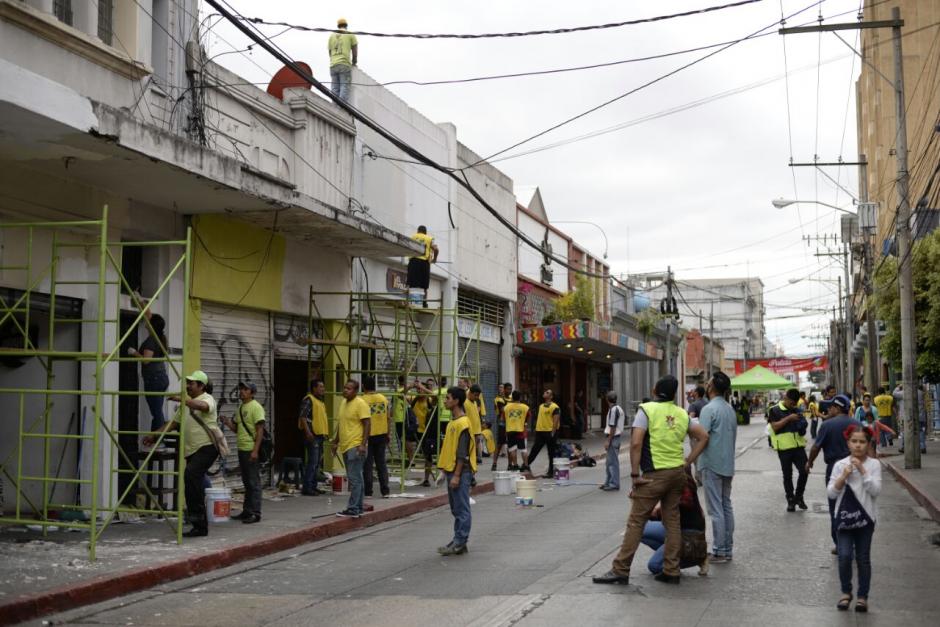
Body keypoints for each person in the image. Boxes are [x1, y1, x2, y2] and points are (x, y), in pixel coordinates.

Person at [593, 375, 709, 586]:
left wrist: (635, 474)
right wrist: (687, 462)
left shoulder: (646, 410)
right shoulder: (682, 413)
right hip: (677, 474)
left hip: (654, 474)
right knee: (672, 522)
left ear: (655, 389)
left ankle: (620, 569)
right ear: (674, 394)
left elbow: (636, 443)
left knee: (636, 522)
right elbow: (703, 437)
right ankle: (671, 570)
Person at [143, 370, 218, 537]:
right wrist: (155, 435)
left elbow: (203, 407)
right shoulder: (187, 404)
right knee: (194, 481)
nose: (188, 386)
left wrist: (184, 400)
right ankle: (198, 521)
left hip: (207, 447)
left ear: (201, 386)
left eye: (191, 383)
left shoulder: (207, 399)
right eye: (188, 383)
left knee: (191, 475)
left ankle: (198, 521)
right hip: (192, 450)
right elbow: (172, 424)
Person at [828, 424, 881, 612]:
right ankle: (845, 592)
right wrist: (844, 476)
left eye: (862, 442)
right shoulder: (840, 465)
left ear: (868, 444)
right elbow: (832, 494)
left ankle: (862, 597)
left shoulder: (874, 465)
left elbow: (875, 490)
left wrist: (864, 472)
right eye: (854, 441)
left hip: (866, 520)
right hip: (844, 519)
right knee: (844, 556)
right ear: (848, 443)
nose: (858, 445)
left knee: (863, 558)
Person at [806, 395, 862, 550]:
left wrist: (809, 462)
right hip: (855, 468)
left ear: (837, 408)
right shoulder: (857, 423)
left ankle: (840, 544)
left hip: (835, 469)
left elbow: (816, 447)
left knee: (836, 506)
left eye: (830, 407)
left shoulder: (827, 425)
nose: (828, 409)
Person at [697, 371, 736, 563]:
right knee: (726, 506)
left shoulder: (708, 409)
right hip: (727, 464)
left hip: (711, 464)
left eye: (708, 382)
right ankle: (727, 548)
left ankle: (719, 550)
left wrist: (691, 461)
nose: (706, 384)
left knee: (715, 510)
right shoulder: (729, 409)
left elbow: (701, 438)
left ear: (711, 387)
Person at [641, 470, 709, 576]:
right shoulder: (672, 483)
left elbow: (678, 508)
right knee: (640, 529)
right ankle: (672, 554)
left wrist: (658, 509)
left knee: (654, 566)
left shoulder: (683, 486)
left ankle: (695, 558)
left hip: (688, 534)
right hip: (674, 529)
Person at [437, 386, 475, 556]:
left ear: (457, 401)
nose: (445, 401)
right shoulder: (453, 423)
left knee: (461, 508)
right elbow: (448, 450)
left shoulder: (463, 424)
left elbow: (462, 453)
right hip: (452, 470)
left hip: (461, 471)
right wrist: (444, 472)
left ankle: (460, 541)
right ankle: (459, 540)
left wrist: (457, 475)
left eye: (448, 398)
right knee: (456, 508)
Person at [220, 381, 265, 524]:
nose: (242, 391)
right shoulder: (240, 408)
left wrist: (255, 451)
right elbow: (238, 429)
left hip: (250, 449)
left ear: (252, 392)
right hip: (242, 449)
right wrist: (228, 423)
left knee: (253, 482)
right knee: (247, 482)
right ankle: (247, 511)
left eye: (245, 389)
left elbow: (260, 430)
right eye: (241, 389)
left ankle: (255, 513)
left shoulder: (256, 407)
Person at [767, 388, 810, 512]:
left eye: (795, 404)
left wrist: (802, 425)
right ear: (785, 398)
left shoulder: (797, 410)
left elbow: (802, 427)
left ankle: (799, 496)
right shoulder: (774, 410)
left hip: (798, 447)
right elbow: (775, 427)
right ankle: (790, 500)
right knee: (787, 476)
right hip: (784, 448)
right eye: (791, 403)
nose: (793, 406)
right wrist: (789, 418)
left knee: (804, 471)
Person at [333, 379, 371, 518]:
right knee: (356, 479)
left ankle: (353, 508)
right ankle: (358, 507)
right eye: (344, 388)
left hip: (355, 446)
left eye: (348, 389)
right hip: (345, 445)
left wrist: (363, 444)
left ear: (355, 391)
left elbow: (367, 424)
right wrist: (335, 442)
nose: (345, 390)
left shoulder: (360, 404)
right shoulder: (343, 403)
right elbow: (341, 424)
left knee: (354, 479)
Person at [128, 307, 169, 433]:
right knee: (157, 410)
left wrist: (134, 352)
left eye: (149, 320)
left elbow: (146, 360)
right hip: (160, 377)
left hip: (154, 379)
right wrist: (140, 300)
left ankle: (159, 439)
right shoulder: (159, 337)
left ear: (152, 325)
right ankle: (154, 438)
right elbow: (149, 313)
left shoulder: (151, 340)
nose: (146, 320)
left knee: (156, 412)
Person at [361, 377, 391, 499]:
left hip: (368, 436)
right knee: (381, 463)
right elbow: (389, 418)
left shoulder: (362, 400)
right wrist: (388, 433)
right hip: (382, 434)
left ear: (363, 386)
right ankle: (385, 491)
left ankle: (368, 491)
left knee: (367, 464)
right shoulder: (383, 399)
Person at [299, 379, 328, 496]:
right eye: (320, 387)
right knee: (312, 462)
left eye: (323, 387)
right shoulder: (308, 400)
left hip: (320, 435)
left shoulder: (320, 402)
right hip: (313, 436)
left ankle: (313, 486)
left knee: (317, 463)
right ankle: (307, 487)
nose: (323, 389)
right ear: (314, 388)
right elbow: (302, 417)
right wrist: (308, 432)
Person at [525, 389, 560, 478]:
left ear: (551, 397)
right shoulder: (541, 406)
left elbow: (556, 421)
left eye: (547, 392)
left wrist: (553, 432)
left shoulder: (555, 407)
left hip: (550, 432)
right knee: (534, 450)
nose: (545, 393)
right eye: (545, 392)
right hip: (540, 432)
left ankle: (551, 472)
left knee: (551, 453)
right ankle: (525, 465)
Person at [407, 226, 438, 308]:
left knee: (411, 282)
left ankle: (410, 301)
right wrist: (434, 259)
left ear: (418, 231)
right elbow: (436, 249)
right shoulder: (429, 238)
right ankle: (424, 303)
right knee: (424, 284)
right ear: (425, 232)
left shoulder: (413, 237)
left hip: (413, 261)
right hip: (424, 263)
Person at [600, 390, 625, 491]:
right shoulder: (618, 408)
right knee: (609, 462)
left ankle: (614, 483)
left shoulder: (614, 410)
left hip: (614, 438)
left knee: (612, 462)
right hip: (615, 438)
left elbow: (613, 427)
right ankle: (608, 482)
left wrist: (608, 440)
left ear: (607, 399)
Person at [328, 18, 357, 102]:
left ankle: (334, 107)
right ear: (346, 26)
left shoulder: (331, 36)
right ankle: (341, 109)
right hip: (344, 64)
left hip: (333, 65)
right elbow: (355, 50)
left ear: (338, 26)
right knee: (344, 85)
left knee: (335, 88)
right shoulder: (350, 34)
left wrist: (333, 60)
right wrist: (354, 62)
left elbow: (330, 52)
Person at [503, 391, 529, 470]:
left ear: (512, 397)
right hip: (520, 431)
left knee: (512, 449)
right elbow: (528, 417)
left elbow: (504, 418)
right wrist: (523, 423)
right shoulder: (525, 407)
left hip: (510, 431)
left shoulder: (506, 407)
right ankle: (526, 465)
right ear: (520, 397)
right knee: (523, 449)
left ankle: (515, 465)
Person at [393, 375, 417, 461]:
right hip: (400, 418)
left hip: (406, 418)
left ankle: (410, 459)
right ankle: (405, 459)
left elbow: (411, 402)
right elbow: (400, 394)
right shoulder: (398, 390)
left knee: (406, 440)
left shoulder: (409, 391)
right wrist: (410, 387)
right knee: (401, 440)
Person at [490, 383, 512, 471]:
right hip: (502, 424)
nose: (509, 391)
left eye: (511, 389)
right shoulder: (499, 399)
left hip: (511, 425)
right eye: (508, 389)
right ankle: (494, 463)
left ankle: (510, 464)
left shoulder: (512, 399)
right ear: (504, 389)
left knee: (510, 445)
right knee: (499, 445)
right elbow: (503, 411)